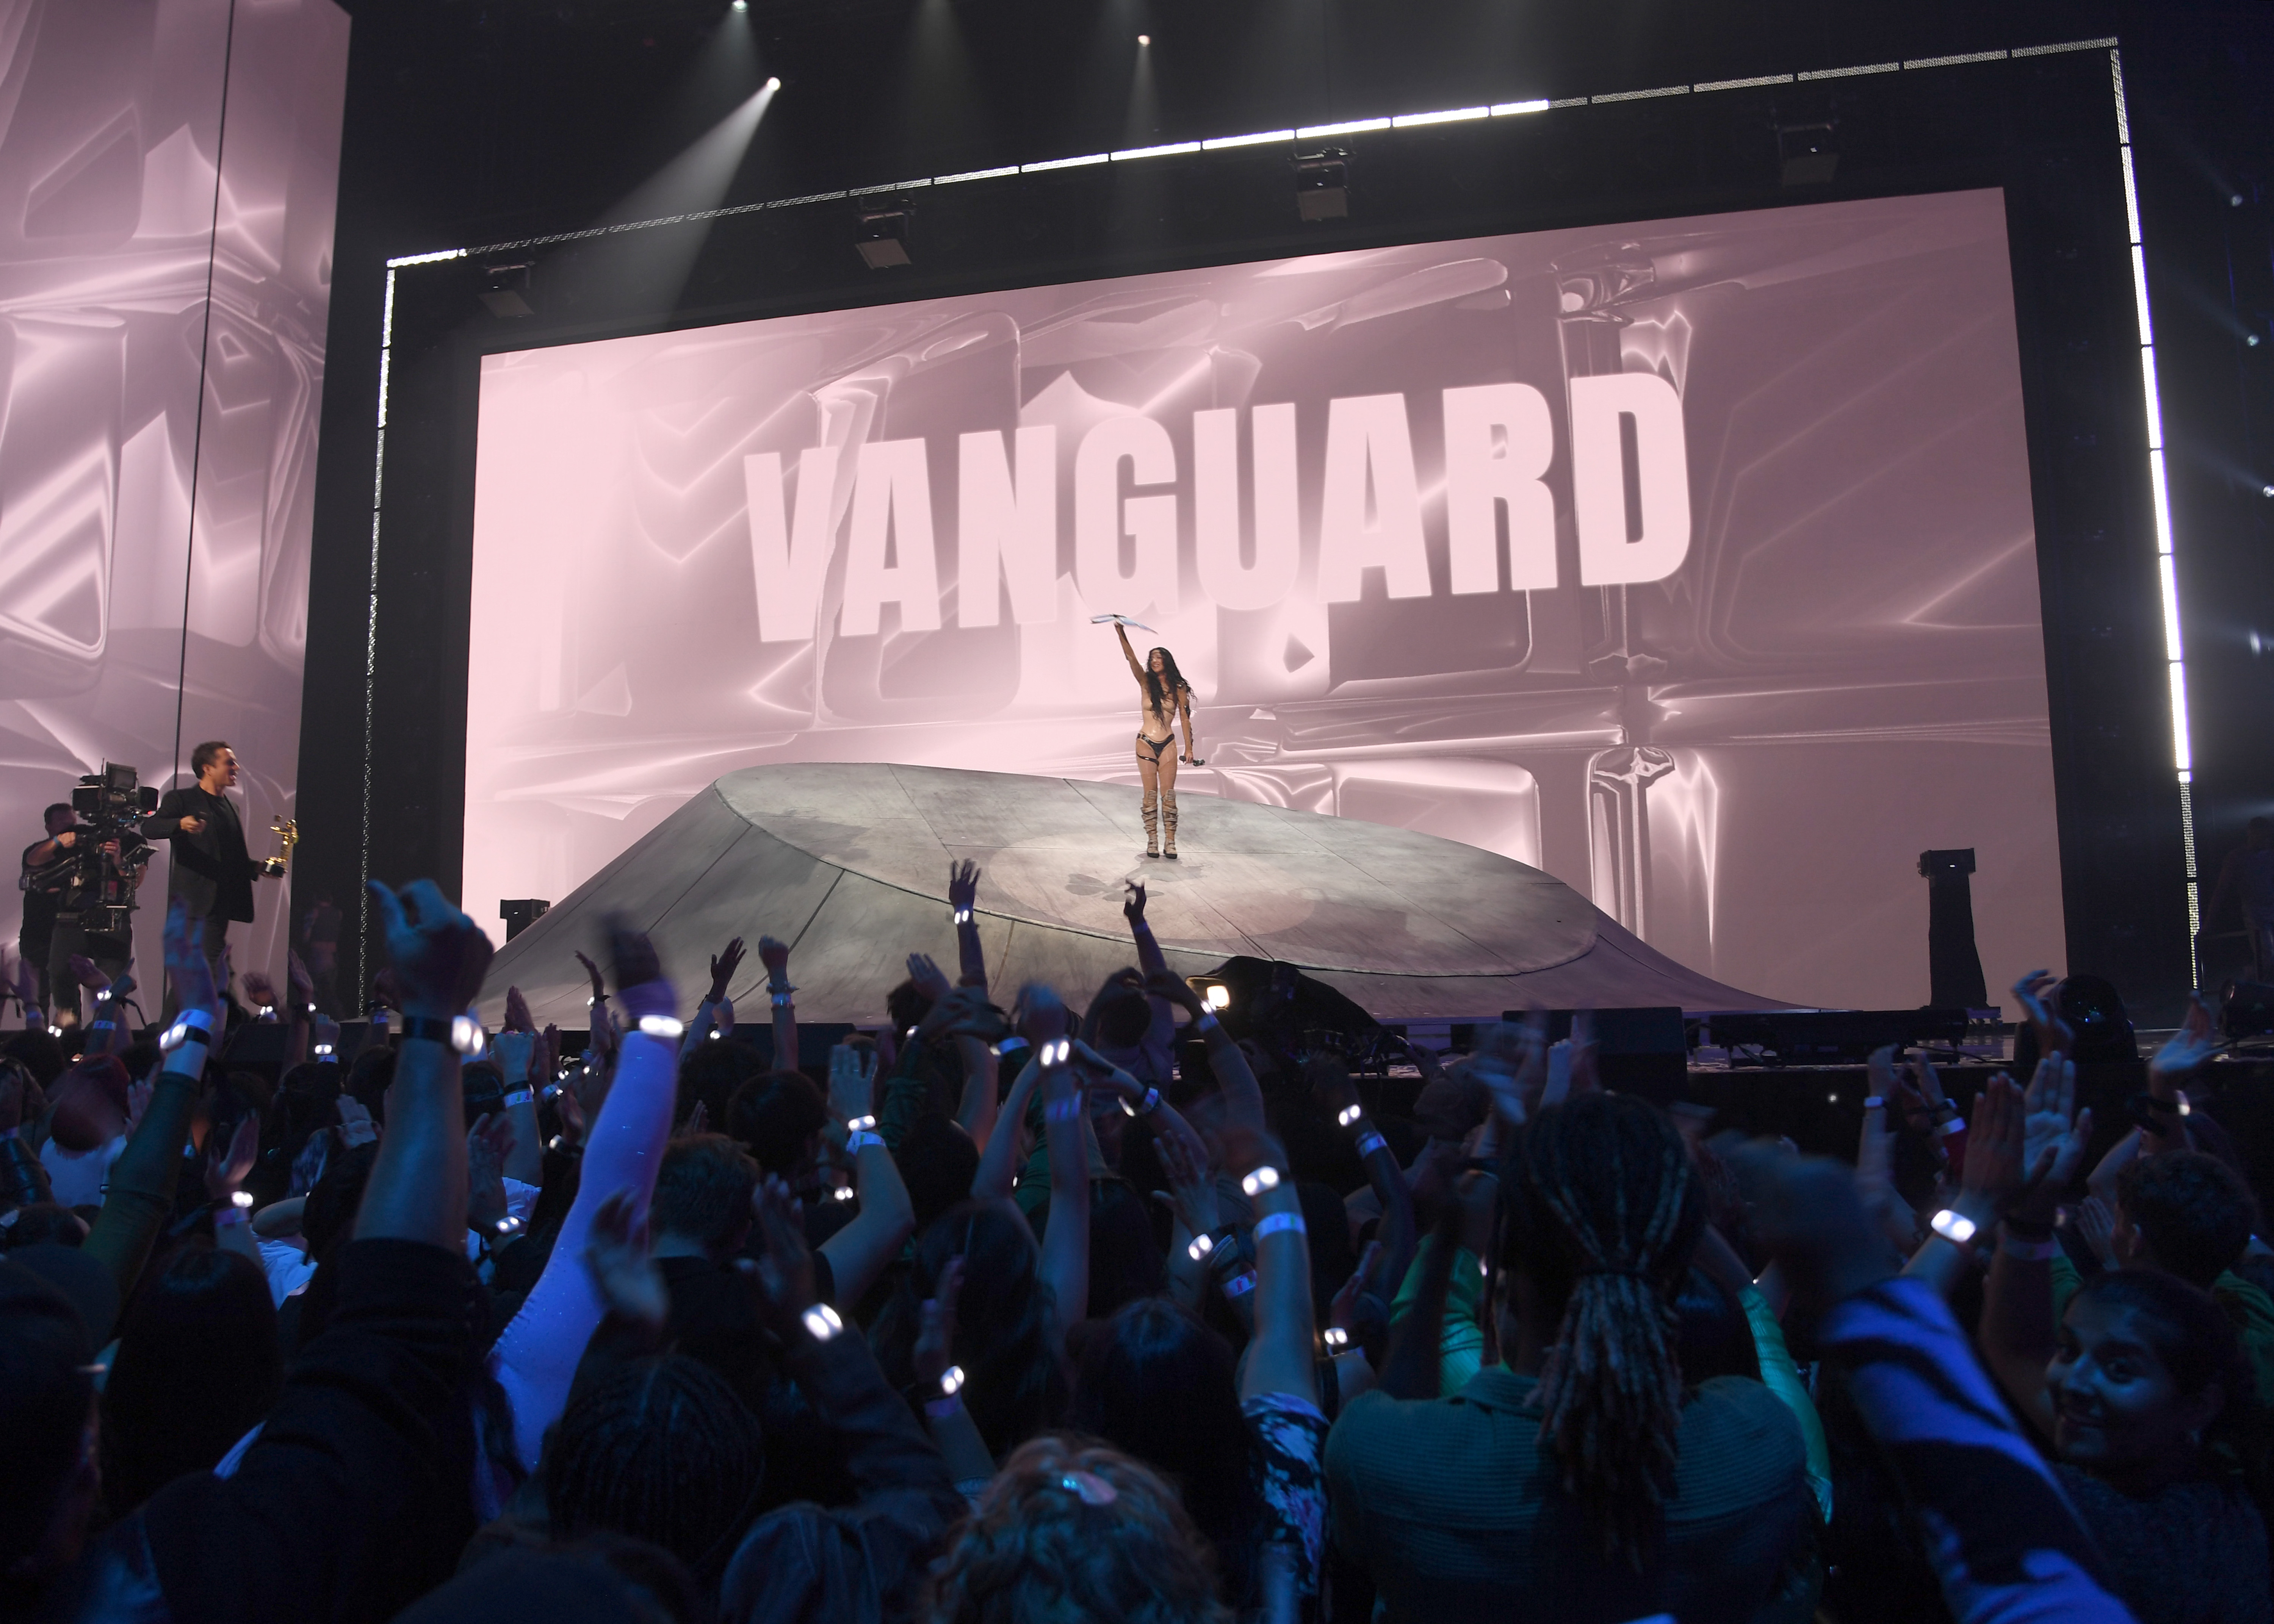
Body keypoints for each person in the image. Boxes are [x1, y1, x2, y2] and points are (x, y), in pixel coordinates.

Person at [1326, 1092, 1814, 1621]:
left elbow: (1396, 1418)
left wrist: (1448, 1243)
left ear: (1508, 1268)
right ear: (1682, 1265)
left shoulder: (1377, 1456)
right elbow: (1755, 1321)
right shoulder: (1766, 1444)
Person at [142, 741, 285, 981]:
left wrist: (257, 868)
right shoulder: (182, 799)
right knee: (212, 975)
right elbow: (150, 827)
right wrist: (180, 824)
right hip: (194, 906)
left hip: (220, 905)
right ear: (208, 768)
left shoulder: (232, 807)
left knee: (195, 980)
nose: (237, 768)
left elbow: (228, 857)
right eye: (229, 763)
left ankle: (179, 1019)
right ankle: (226, 1017)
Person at [1110, 619, 1197, 860]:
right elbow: (1131, 659)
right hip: (1146, 742)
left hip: (1168, 743)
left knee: (1168, 795)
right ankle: (1152, 840)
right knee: (1150, 794)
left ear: (1167, 661)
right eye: (1152, 658)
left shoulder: (1178, 687)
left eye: (1159, 657)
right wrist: (1121, 632)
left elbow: (1185, 718)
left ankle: (1170, 842)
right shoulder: (1146, 683)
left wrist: (1189, 749)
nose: (1154, 661)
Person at [17, 803, 78, 1019]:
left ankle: (71, 1041)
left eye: (72, 821)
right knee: (38, 994)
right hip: (38, 934)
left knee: (68, 995)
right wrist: (56, 843)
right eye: (62, 821)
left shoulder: (81, 851)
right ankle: (37, 1039)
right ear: (49, 826)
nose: (69, 825)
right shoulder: (37, 850)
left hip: (69, 932)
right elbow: (34, 861)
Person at [2203, 815, 2274, 983]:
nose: (2266, 840)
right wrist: (2208, 923)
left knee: (2268, 957)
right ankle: (2255, 986)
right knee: (2268, 955)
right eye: (2262, 836)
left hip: (2270, 908)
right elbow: (2221, 890)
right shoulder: (2237, 858)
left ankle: (2257, 981)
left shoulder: (2271, 856)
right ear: (2252, 834)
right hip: (2255, 912)